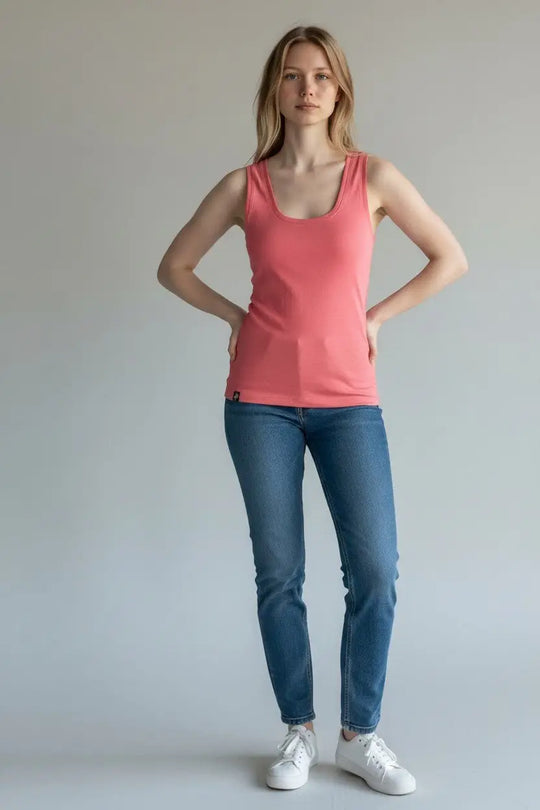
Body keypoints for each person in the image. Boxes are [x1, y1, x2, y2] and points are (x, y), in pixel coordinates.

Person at [157, 25, 468, 795]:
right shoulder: (245, 187)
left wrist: (377, 318)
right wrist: (235, 318)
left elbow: (450, 258)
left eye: (321, 76)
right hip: (258, 401)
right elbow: (174, 267)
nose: (307, 89)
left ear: (340, 89)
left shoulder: (375, 178)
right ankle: (298, 730)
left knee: (375, 571)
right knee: (279, 574)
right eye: (293, 76)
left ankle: (360, 734)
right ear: (275, 89)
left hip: (347, 403)